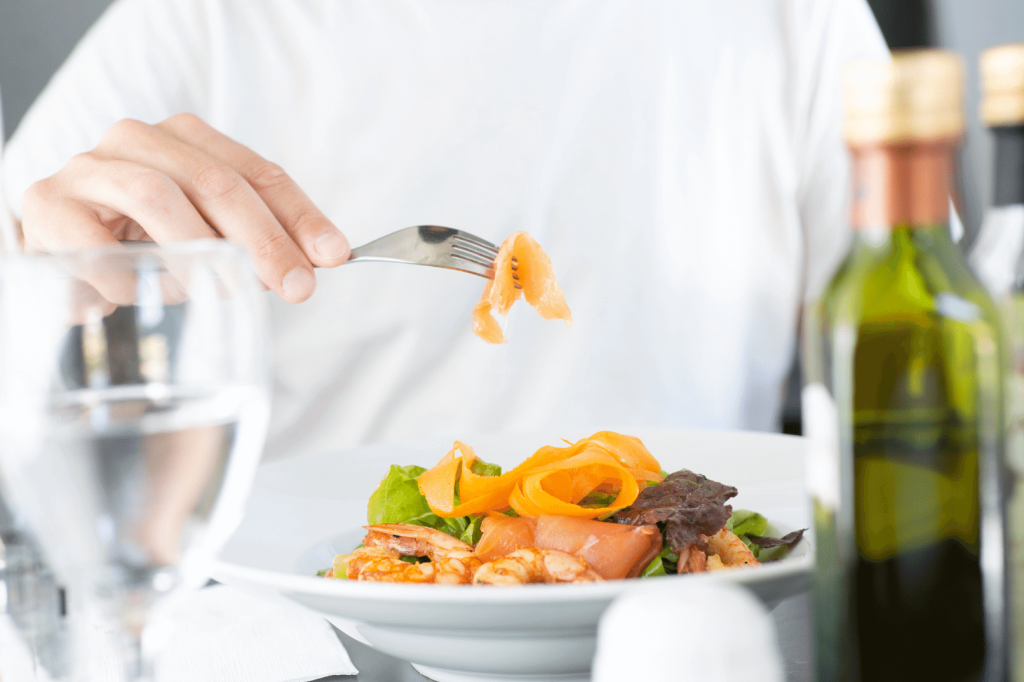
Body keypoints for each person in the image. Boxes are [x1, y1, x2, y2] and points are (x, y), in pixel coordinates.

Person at [1, 0, 887, 461]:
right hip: (304, 638)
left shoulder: (797, 19)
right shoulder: (200, 22)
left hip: (692, 628)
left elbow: (933, 376)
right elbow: (26, 262)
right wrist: (46, 289)